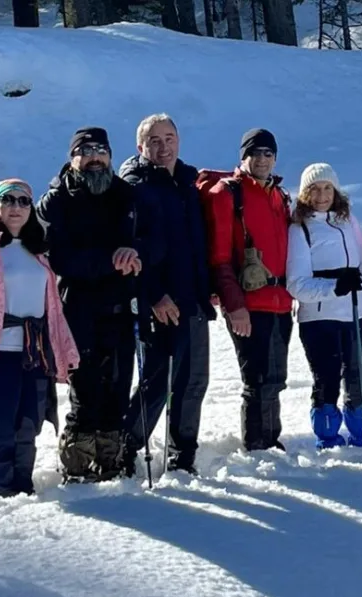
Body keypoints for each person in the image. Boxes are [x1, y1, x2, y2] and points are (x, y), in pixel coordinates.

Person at [0, 179, 80, 497]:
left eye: (23, 201)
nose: (16, 207)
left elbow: (54, 313)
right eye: (8, 200)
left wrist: (67, 355)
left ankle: (22, 492)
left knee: (27, 429)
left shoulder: (39, 254)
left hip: (34, 354)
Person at [37, 126, 147, 482]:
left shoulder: (125, 193)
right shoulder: (58, 198)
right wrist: (111, 260)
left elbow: (151, 239)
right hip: (78, 308)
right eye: (86, 151)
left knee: (118, 385)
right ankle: (78, 465)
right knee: (85, 389)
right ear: (73, 158)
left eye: (101, 150)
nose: (95, 157)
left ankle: (111, 460)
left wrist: (137, 253)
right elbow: (60, 258)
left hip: (120, 306)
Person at [119, 114, 215, 476]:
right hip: (159, 302)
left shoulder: (188, 182)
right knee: (157, 381)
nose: (163, 147)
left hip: (192, 297)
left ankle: (182, 456)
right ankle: (127, 446)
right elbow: (130, 251)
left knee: (193, 381)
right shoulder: (135, 185)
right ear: (141, 147)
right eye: (154, 140)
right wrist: (154, 295)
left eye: (169, 138)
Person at [202, 128, 292, 451]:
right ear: (244, 156)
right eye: (256, 153)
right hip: (249, 304)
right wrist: (234, 305)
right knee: (256, 379)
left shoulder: (279, 195)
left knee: (276, 378)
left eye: (269, 153)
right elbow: (219, 257)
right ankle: (257, 444)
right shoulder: (228, 194)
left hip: (281, 301)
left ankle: (272, 439)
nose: (263, 159)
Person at [286, 163, 362, 449]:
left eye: (327, 188)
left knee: (358, 379)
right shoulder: (299, 228)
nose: (321, 195)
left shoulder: (347, 220)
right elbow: (297, 284)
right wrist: (335, 287)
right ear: (305, 193)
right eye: (314, 189)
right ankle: (328, 439)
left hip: (355, 314)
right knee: (327, 380)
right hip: (319, 318)